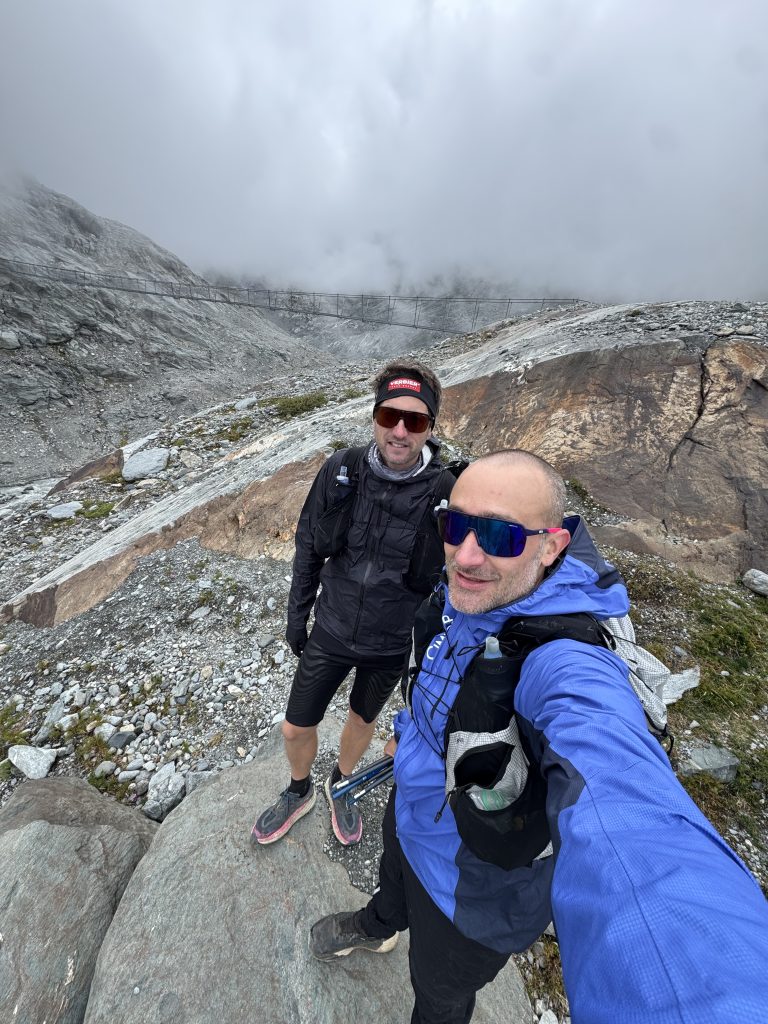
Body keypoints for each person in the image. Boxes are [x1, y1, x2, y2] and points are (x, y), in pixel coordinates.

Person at [309, 450, 768, 1024]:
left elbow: (630, 827)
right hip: (414, 814)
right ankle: (379, 923)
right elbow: (443, 677)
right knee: (393, 879)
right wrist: (411, 736)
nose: (467, 555)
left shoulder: (564, 663)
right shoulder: (482, 593)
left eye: (500, 535)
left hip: (471, 896)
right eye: (456, 525)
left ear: (553, 546)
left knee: (439, 996)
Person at [251, 361, 456, 847]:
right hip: (332, 629)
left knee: (362, 721)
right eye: (389, 416)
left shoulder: (447, 492)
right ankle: (298, 789)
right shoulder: (341, 469)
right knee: (295, 725)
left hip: (391, 643)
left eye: (415, 420)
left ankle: (340, 782)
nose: (400, 430)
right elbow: (307, 544)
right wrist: (296, 618)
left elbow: (460, 578)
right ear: (375, 416)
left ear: (430, 427)